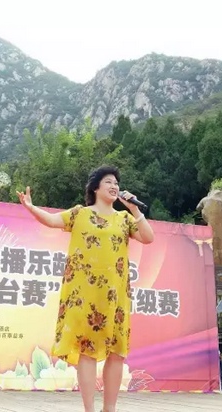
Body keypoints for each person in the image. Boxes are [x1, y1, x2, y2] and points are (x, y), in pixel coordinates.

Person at [16, 165, 154, 412]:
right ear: (96, 188)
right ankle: (89, 409)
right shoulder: (80, 214)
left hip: (115, 297)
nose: (114, 186)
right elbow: (52, 220)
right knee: (87, 352)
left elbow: (148, 237)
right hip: (84, 297)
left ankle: (109, 408)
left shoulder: (124, 219)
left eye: (116, 183)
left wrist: (134, 209)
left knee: (117, 353)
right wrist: (30, 207)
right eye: (109, 182)